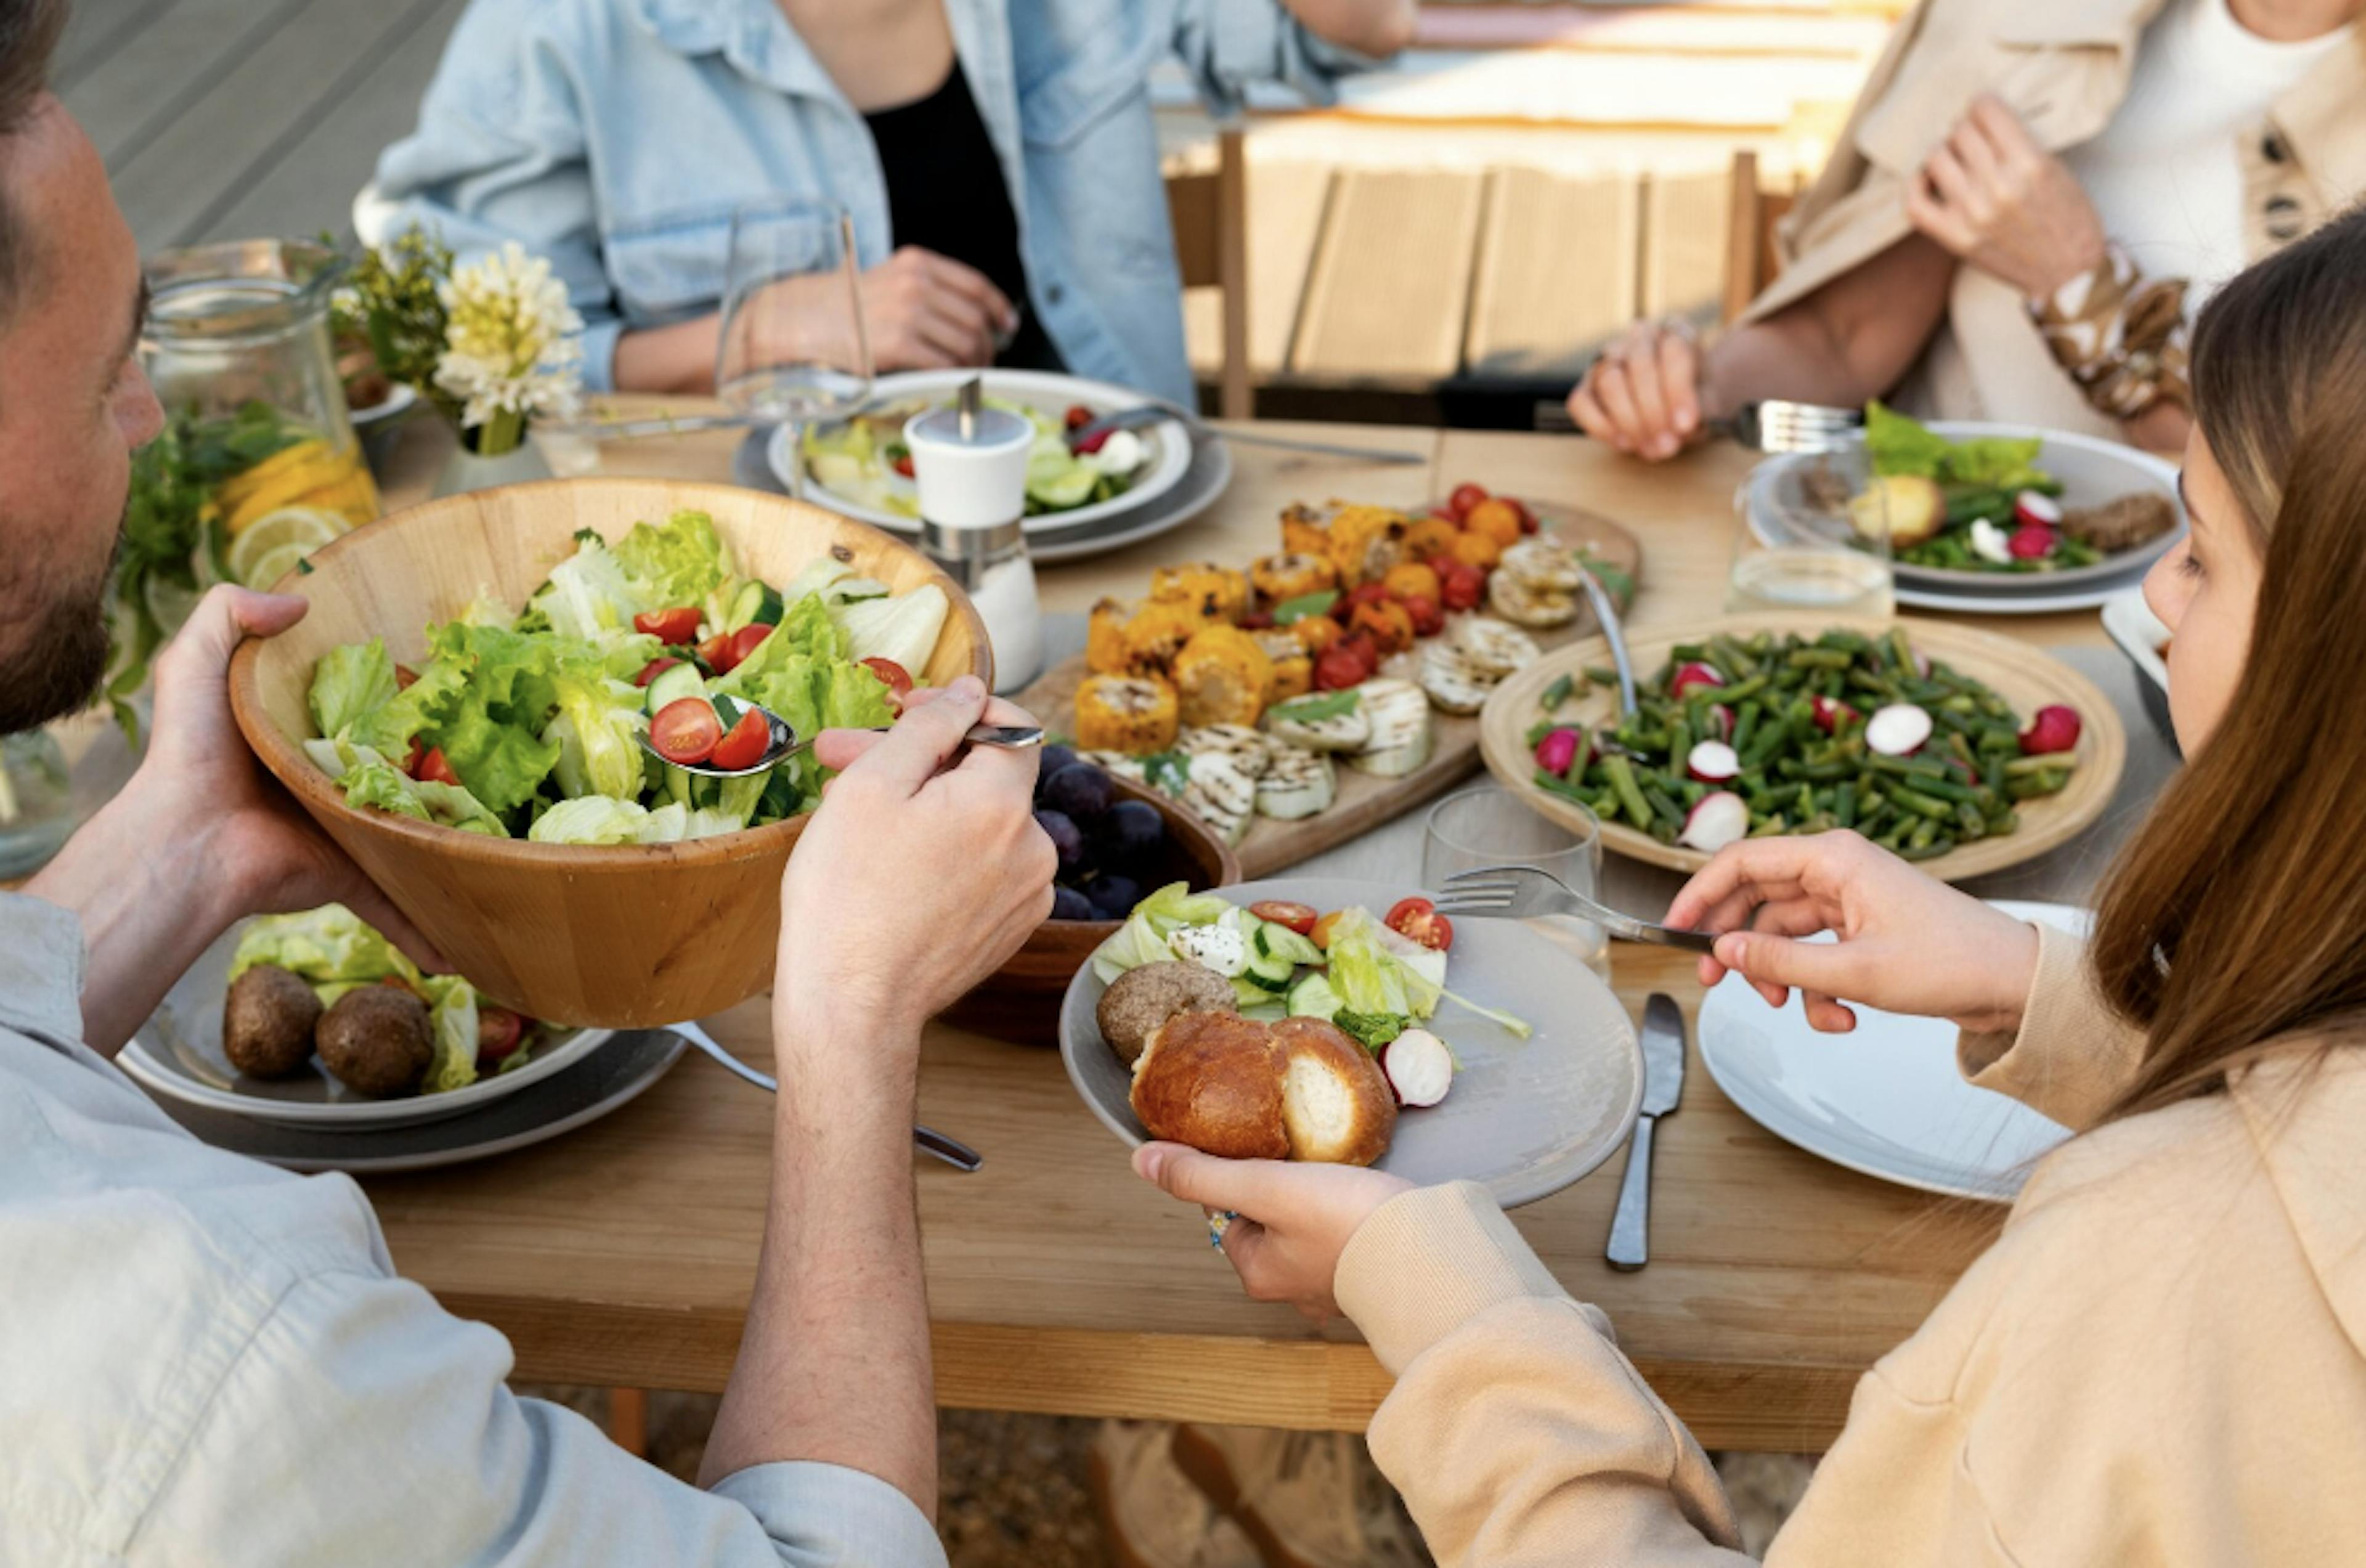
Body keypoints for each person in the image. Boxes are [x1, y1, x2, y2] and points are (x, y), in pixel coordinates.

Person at [1139, 205, 2366, 1562]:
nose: (2150, 606)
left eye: (2196, 553)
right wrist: (2049, 994)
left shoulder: (2152, 1268)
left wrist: (1447, 1309)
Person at [0, 2, 1057, 1559]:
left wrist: (191, 847)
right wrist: (844, 1020)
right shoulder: (211, 1351)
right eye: (108, 381)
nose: (150, 421)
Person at [366, 0, 1416, 405]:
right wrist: (767, 323)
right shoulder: (559, 30)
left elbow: (1352, 27)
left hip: (1118, 527)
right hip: (779, 587)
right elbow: (462, 356)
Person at [1569, 0, 2364, 463]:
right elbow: (1843, 338)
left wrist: (2082, 290)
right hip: (1928, 597)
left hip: (2200, 669)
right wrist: (1696, 388)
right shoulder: (2014, 19)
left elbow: (2301, 509)